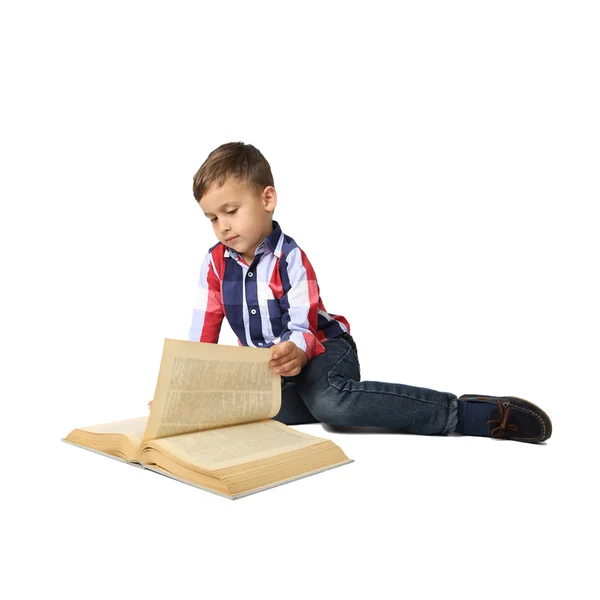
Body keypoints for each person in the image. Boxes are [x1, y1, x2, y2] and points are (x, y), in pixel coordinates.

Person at [152, 141, 552, 444]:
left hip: (322, 349)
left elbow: (303, 325)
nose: (222, 226)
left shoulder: (290, 258)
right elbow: (202, 334)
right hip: (274, 370)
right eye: (212, 217)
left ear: (267, 199)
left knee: (332, 407)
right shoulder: (214, 264)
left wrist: (297, 352)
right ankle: (310, 399)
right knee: (252, 411)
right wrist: (181, 392)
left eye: (231, 211)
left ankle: (461, 413)